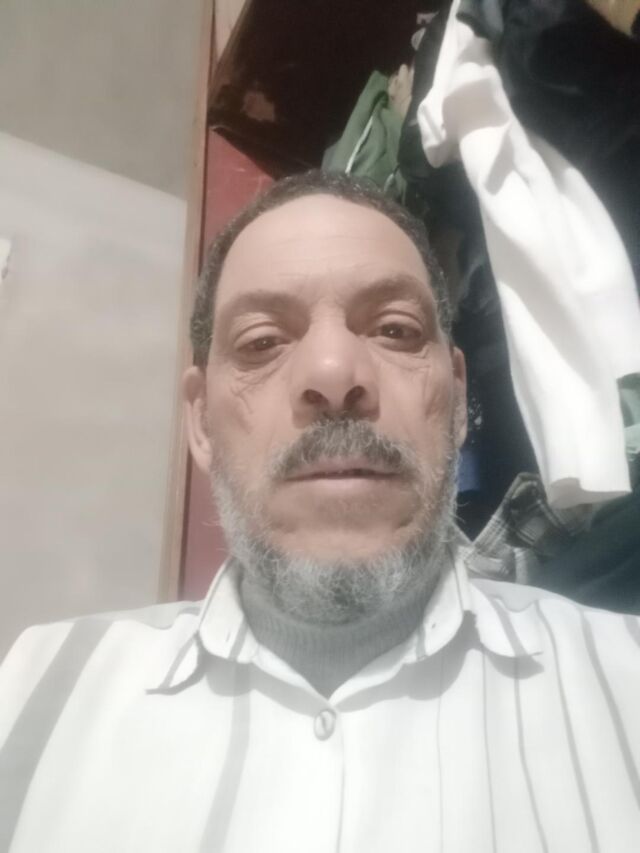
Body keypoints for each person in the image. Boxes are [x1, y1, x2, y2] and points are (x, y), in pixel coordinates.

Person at [0, 171, 639, 852]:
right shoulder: (32, 690)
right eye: (261, 341)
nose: (333, 373)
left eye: (394, 329)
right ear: (201, 421)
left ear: (456, 400)